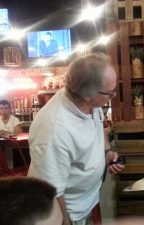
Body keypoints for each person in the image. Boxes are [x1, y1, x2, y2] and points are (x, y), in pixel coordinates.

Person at [28, 53, 125, 225]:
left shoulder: (90, 104)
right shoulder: (54, 130)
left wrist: (107, 151)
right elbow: (51, 191)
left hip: (87, 201)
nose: (114, 95)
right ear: (89, 94)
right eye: (110, 93)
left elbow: (98, 126)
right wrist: (66, 221)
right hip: (68, 213)